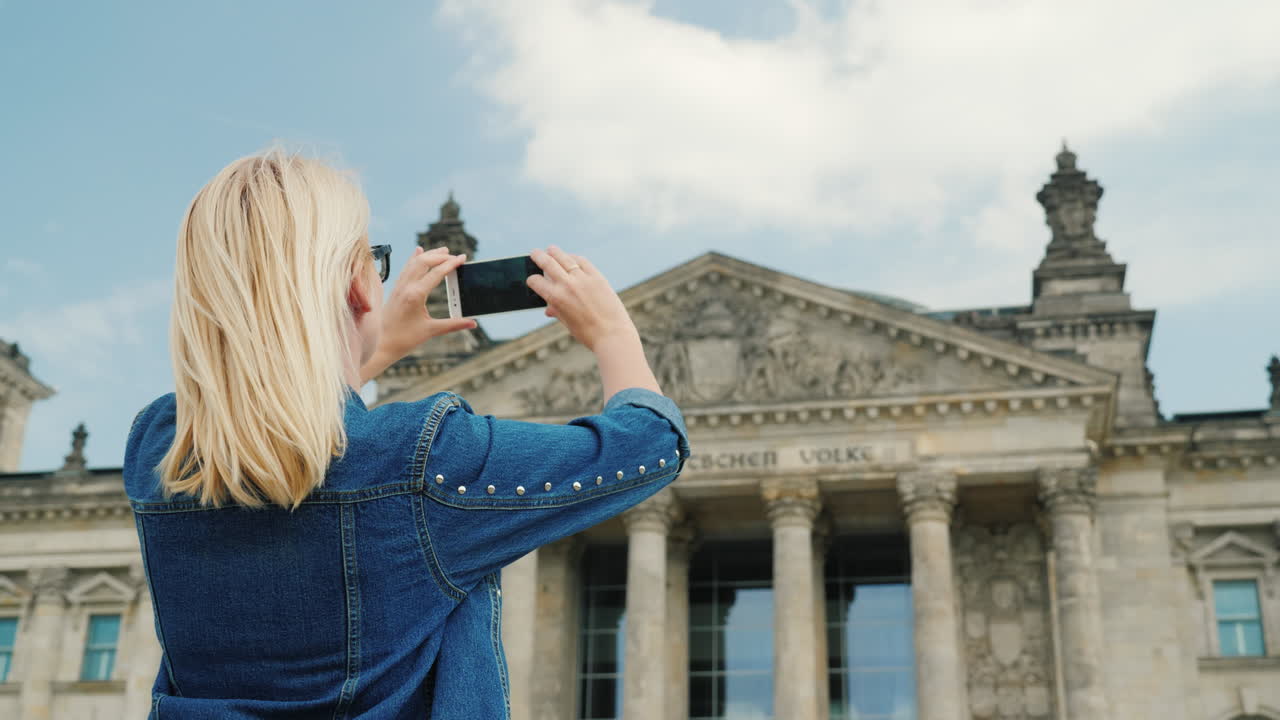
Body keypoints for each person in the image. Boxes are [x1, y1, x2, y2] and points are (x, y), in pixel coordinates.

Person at [123, 149, 688, 719]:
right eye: (375, 260)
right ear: (356, 284)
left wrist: (377, 347)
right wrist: (613, 333)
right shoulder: (427, 458)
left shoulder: (157, 446)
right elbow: (651, 444)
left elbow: (282, 432)